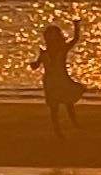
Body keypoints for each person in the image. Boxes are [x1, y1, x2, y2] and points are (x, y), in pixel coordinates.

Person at [35, 18, 86, 166]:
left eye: (54, 36)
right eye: (49, 37)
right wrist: (34, 64)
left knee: (69, 101)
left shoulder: (62, 50)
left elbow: (75, 39)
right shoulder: (44, 52)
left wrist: (76, 26)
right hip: (50, 82)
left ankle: (74, 123)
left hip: (61, 79)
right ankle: (58, 131)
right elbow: (37, 65)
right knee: (54, 108)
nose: (51, 40)